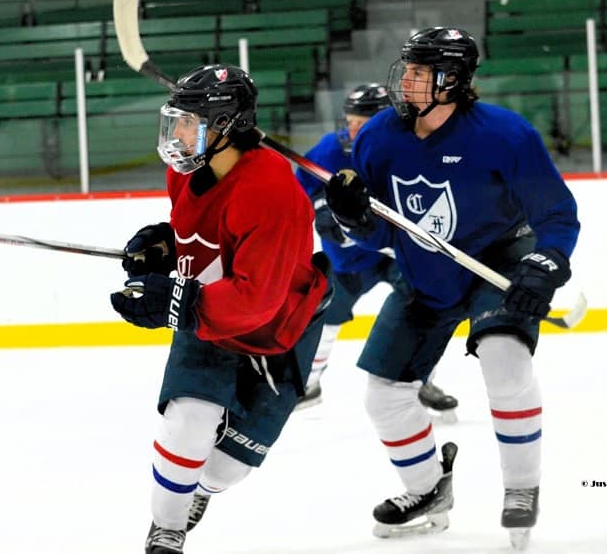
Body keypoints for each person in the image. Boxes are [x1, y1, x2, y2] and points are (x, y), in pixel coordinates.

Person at [323, 27, 580, 549]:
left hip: (497, 259)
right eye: (408, 68)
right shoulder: (377, 137)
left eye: (421, 71)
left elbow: (556, 215)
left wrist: (545, 263)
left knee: (505, 359)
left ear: (453, 81)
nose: (406, 80)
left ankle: (521, 487)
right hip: (427, 274)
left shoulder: (505, 134)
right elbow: (382, 230)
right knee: (383, 396)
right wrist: (353, 217)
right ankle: (426, 489)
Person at [109, 64, 330, 554]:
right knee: (189, 420)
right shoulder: (187, 168)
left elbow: (257, 298)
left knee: (229, 468)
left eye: (189, 123)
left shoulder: (269, 190)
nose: (177, 136)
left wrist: (176, 305)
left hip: (278, 329)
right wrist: (165, 246)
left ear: (227, 128)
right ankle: (167, 528)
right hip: (208, 318)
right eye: (176, 122)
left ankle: (201, 491)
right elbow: (202, 232)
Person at [294, 83, 459, 421]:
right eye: (350, 120)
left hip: (396, 253)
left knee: (421, 308)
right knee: (325, 317)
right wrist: (322, 207)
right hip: (350, 260)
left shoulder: (409, 149)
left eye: (363, 122)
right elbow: (301, 190)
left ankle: (421, 380)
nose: (353, 129)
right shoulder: (330, 149)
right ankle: (307, 385)